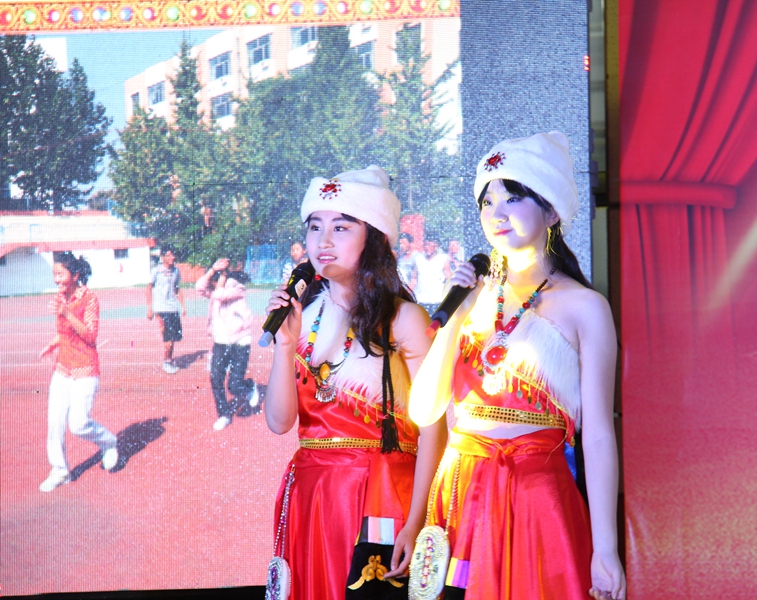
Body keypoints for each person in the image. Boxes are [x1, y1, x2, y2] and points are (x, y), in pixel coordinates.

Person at [409, 132, 626, 600]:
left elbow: (598, 436)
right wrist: (457, 316)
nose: (497, 213)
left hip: (537, 497)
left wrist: (605, 547)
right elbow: (424, 411)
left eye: (513, 197)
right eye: (487, 202)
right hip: (460, 493)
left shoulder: (585, 307)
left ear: (551, 211)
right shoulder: (471, 299)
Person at [264, 165, 446, 599]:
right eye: (315, 227)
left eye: (341, 228)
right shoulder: (302, 319)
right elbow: (279, 423)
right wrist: (284, 346)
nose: (322, 242)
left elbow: (433, 427)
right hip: (312, 497)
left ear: (375, 238)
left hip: (380, 494)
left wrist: (417, 519)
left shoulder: (403, 319)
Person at [38, 252, 118, 492]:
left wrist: (66, 312)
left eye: (60, 274)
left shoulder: (89, 299)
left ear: (75, 275)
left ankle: (109, 442)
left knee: (79, 424)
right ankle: (60, 471)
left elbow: (90, 335)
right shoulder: (60, 296)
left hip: (85, 369)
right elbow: (65, 333)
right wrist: (52, 344)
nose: (56, 280)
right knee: (55, 423)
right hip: (63, 369)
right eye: (54, 274)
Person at [196, 257, 258, 431]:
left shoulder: (237, 287)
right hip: (221, 342)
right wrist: (212, 270)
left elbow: (219, 295)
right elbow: (199, 288)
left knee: (234, 385)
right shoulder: (216, 288)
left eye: (221, 274)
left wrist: (222, 276)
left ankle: (249, 386)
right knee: (216, 378)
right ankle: (223, 414)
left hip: (240, 341)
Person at [146, 246, 186, 374]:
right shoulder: (156, 271)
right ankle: (166, 362)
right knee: (167, 338)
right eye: (168, 255)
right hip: (161, 309)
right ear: (162, 257)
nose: (172, 257)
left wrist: (183, 306)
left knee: (173, 338)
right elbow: (149, 288)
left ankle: (169, 359)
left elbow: (177, 288)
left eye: (173, 255)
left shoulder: (176, 271)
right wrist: (150, 308)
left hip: (173, 308)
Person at [412, 233, 452, 307]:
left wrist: (451, 296)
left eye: (430, 245)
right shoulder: (418, 259)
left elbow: (449, 279)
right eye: (426, 245)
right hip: (421, 299)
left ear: (437, 246)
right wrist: (408, 293)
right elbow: (414, 279)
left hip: (438, 299)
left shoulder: (443, 259)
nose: (427, 247)